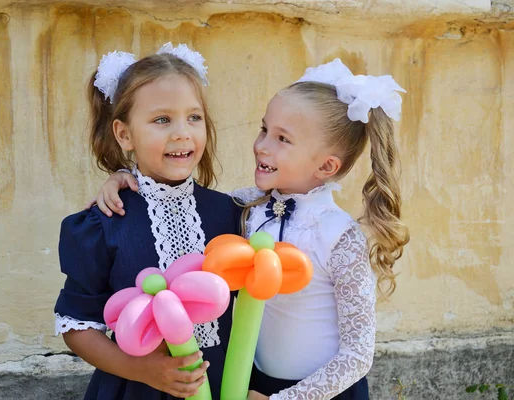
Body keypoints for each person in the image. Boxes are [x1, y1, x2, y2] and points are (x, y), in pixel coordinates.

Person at [88, 58, 410, 400]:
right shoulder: (247, 208)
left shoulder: (339, 236)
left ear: (326, 165)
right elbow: (176, 199)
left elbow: (358, 354)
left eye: (282, 139)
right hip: (253, 386)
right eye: (264, 130)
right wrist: (124, 177)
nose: (261, 146)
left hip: (319, 394)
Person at [54, 43, 241, 400]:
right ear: (124, 134)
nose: (182, 132)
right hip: (136, 389)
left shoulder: (231, 213)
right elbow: (76, 326)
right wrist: (142, 370)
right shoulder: (104, 222)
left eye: (194, 117)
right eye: (161, 120)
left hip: (222, 387)